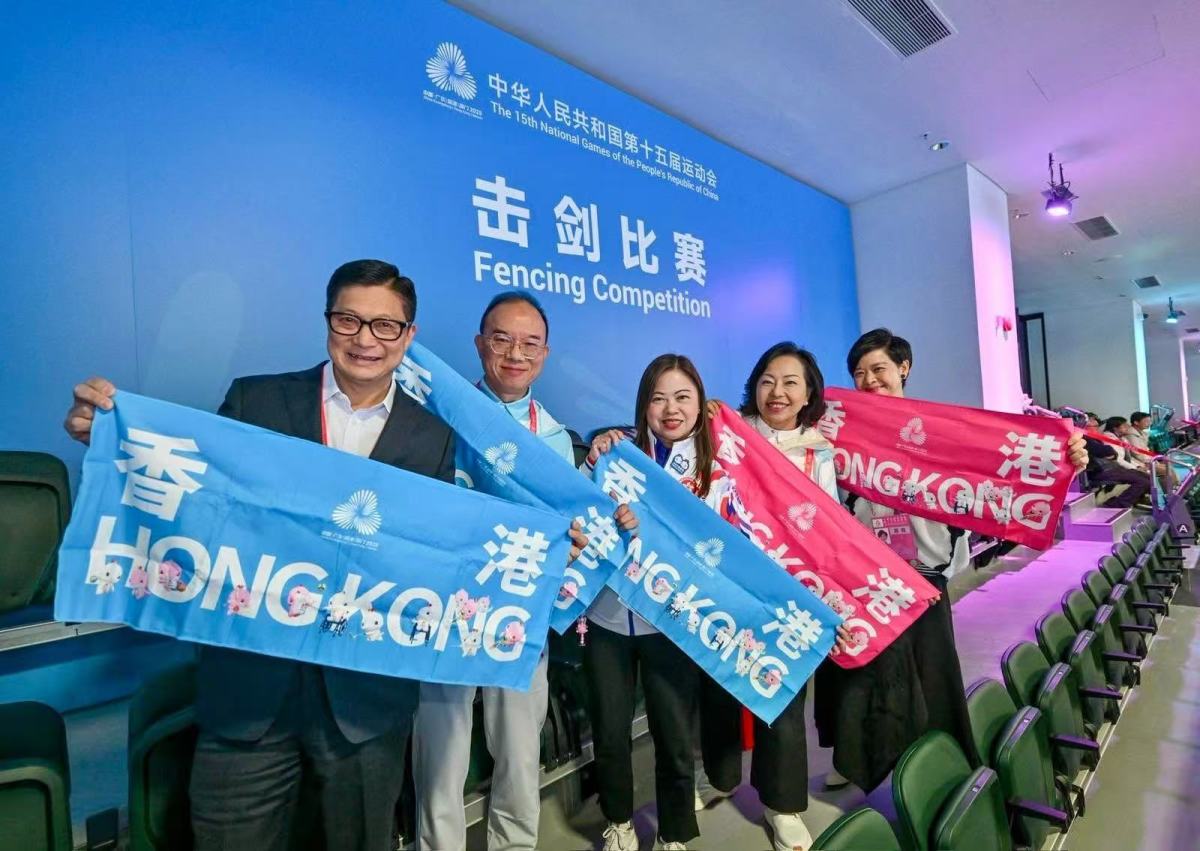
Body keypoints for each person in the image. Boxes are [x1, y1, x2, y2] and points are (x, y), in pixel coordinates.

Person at [64, 261, 584, 851]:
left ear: (408, 336)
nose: (366, 339)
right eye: (349, 320)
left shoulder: (430, 436)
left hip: (365, 708)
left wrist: (547, 555)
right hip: (251, 701)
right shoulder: (258, 400)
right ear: (328, 321)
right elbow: (201, 493)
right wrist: (111, 435)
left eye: (385, 326)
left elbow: (442, 549)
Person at [815, 328, 1087, 793]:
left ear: (904, 368)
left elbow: (1008, 462)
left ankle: (941, 767)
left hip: (924, 574)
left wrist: (1067, 456)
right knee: (861, 672)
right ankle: (854, 758)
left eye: (879, 369)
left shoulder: (941, 430)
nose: (869, 380)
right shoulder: (842, 428)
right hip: (865, 576)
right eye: (859, 373)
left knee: (932, 676)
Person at [412, 292, 603, 851]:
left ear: (545, 354)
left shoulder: (556, 437)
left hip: (521, 606)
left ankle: (514, 844)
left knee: (520, 749)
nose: (515, 353)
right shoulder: (439, 417)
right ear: (479, 345)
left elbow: (570, 528)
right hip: (447, 605)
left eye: (530, 343)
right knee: (441, 750)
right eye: (501, 339)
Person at [697, 342, 842, 851]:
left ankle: (782, 804)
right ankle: (718, 777)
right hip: (728, 585)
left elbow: (828, 527)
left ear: (808, 393)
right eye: (767, 381)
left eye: (790, 383)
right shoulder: (726, 434)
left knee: (782, 696)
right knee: (718, 686)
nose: (777, 392)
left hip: (787, 595)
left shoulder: (818, 453)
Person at [583, 354, 721, 851]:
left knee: (674, 734)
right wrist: (594, 466)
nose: (670, 409)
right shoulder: (613, 452)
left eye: (682, 397)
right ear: (643, 405)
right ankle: (618, 821)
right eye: (658, 398)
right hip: (608, 616)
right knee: (610, 731)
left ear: (700, 404)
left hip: (671, 621)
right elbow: (579, 514)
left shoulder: (715, 469)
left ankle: (674, 831)